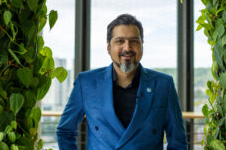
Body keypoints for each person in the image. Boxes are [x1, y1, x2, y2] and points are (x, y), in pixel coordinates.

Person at [56, 14, 188, 150]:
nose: (127, 48)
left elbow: (178, 141)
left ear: (142, 45)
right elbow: (65, 131)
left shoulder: (164, 84)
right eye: (120, 41)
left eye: (134, 41)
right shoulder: (86, 83)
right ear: (108, 47)